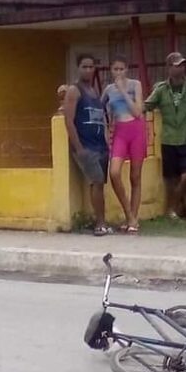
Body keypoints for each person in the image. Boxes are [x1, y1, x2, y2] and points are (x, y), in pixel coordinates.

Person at [144, 52, 186, 222]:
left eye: (183, 64)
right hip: (168, 139)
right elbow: (147, 105)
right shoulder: (161, 89)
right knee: (171, 179)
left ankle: (171, 207)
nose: (181, 68)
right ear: (169, 68)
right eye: (177, 65)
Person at [63, 53, 111, 236]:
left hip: (100, 146)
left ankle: (103, 222)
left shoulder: (94, 91)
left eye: (91, 67)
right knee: (96, 181)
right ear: (78, 68)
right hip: (86, 146)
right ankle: (99, 224)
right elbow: (68, 121)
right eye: (85, 66)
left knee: (100, 184)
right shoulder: (74, 91)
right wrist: (79, 148)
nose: (88, 70)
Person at [101, 57, 145, 233]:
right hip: (119, 131)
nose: (118, 72)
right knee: (114, 172)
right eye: (115, 69)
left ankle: (133, 220)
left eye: (121, 69)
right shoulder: (108, 90)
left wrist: (123, 91)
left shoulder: (135, 85)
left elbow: (137, 112)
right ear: (111, 71)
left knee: (135, 176)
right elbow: (101, 109)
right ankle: (129, 215)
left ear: (127, 70)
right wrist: (106, 130)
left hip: (136, 129)